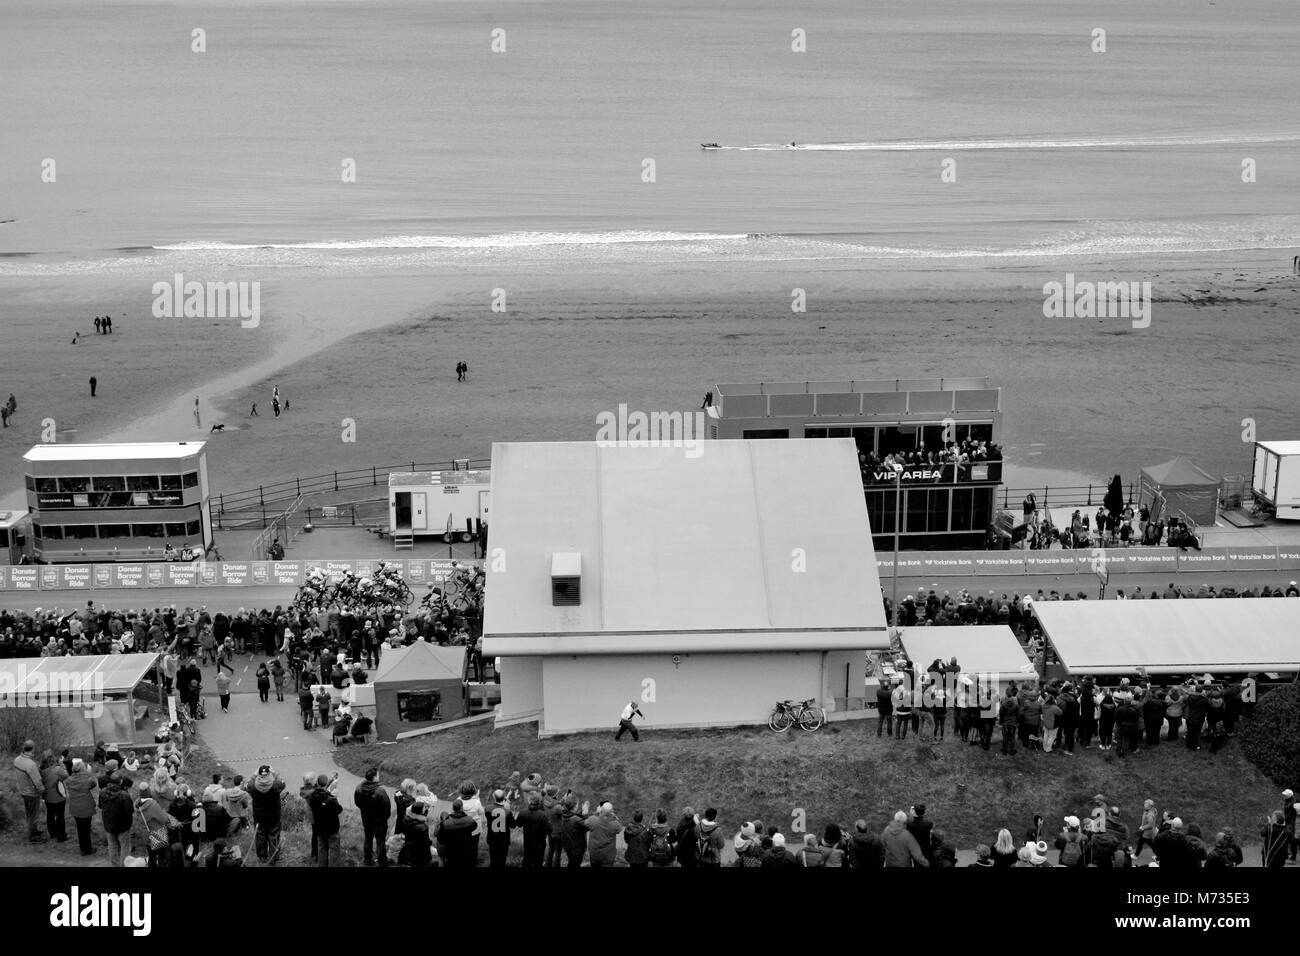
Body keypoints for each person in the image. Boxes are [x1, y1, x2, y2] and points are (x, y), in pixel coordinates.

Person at [13, 740, 47, 843]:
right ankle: (33, 838)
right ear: (33, 749)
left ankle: (33, 831)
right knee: (33, 815)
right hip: (32, 793)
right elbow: (37, 781)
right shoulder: (31, 764)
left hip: (23, 791)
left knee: (29, 814)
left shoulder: (17, 760)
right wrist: (43, 791)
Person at [309, 773, 344, 867]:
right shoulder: (330, 800)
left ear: (317, 783)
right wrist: (334, 797)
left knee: (322, 848)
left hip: (320, 827)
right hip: (332, 829)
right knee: (334, 850)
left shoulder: (312, 796)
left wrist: (331, 781)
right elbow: (339, 809)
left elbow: (321, 790)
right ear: (325, 785)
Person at [436, 798, 480, 868]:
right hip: (466, 850)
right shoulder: (470, 820)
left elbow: (441, 840)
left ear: (452, 808)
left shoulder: (445, 824)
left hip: (451, 852)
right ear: (462, 808)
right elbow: (474, 828)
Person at [41, 753, 69, 843]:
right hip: (58, 797)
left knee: (50, 815)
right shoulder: (57, 769)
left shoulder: (41, 770)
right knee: (60, 816)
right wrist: (61, 764)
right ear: (53, 760)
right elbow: (66, 775)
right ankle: (61, 836)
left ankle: (52, 833)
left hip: (47, 797)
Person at [584, 802, 623, 868]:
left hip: (594, 854)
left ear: (601, 810)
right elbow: (620, 828)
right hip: (608, 857)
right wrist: (614, 817)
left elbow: (585, 822)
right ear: (612, 812)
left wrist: (597, 813)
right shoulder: (614, 824)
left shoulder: (593, 820)